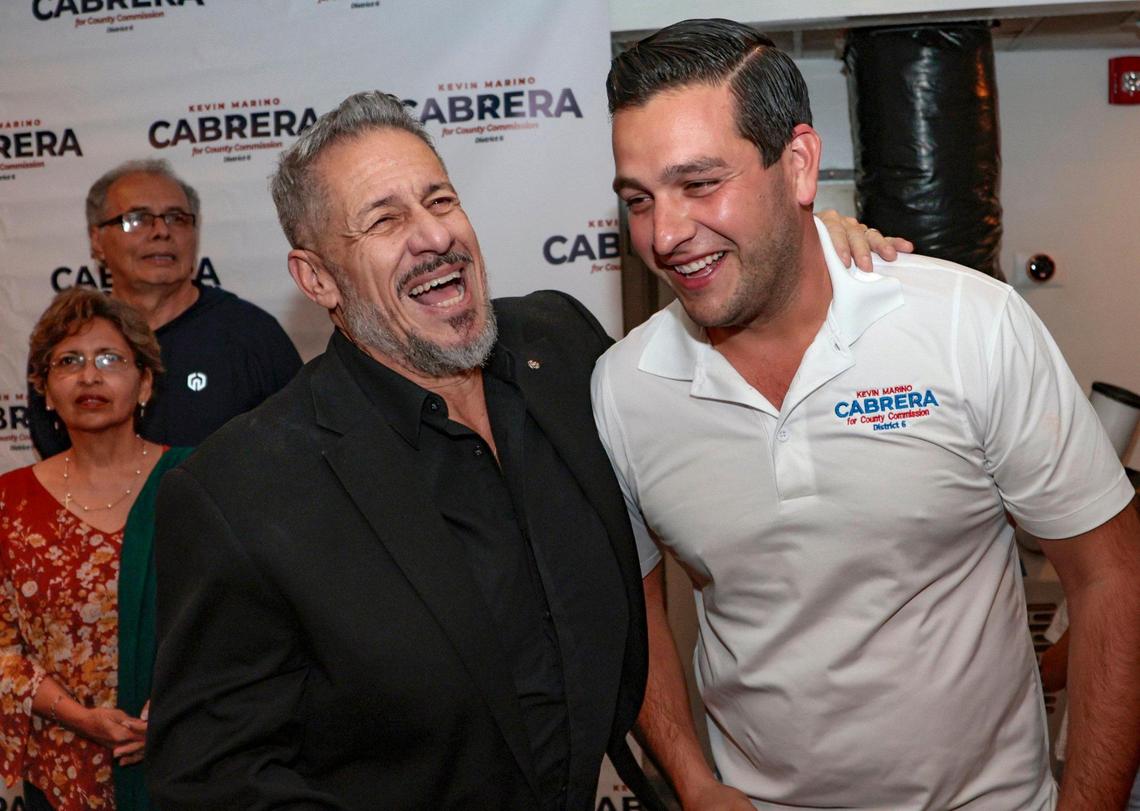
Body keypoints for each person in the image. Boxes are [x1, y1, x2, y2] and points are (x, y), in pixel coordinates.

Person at [144, 90, 898, 810]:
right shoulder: (241, 490)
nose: (433, 234)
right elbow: (213, 781)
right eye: (384, 219)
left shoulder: (561, 350)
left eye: (440, 200)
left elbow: (629, 588)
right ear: (317, 278)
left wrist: (808, 256)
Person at [592, 18, 1140, 811]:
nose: (667, 234)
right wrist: (694, 779)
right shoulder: (624, 388)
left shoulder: (967, 325)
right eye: (639, 199)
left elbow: (1113, 576)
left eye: (700, 184)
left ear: (800, 164)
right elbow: (631, 614)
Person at [1, 288, 192, 811]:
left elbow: (242, 621)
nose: (90, 376)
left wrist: (179, 710)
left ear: (145, 381)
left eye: (110, 359)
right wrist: (81, 718)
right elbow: (3, 650)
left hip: (189, 757)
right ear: (43, 390)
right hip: (64, 776)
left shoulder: (196, 483)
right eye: (69, 361)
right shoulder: (9, 502)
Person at [27, 159, 301, 456]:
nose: (161, 231)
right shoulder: (68, 339)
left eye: (177, 218)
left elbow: (300, 452)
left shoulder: (252, 335)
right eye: (137, 218)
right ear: (97, 241)